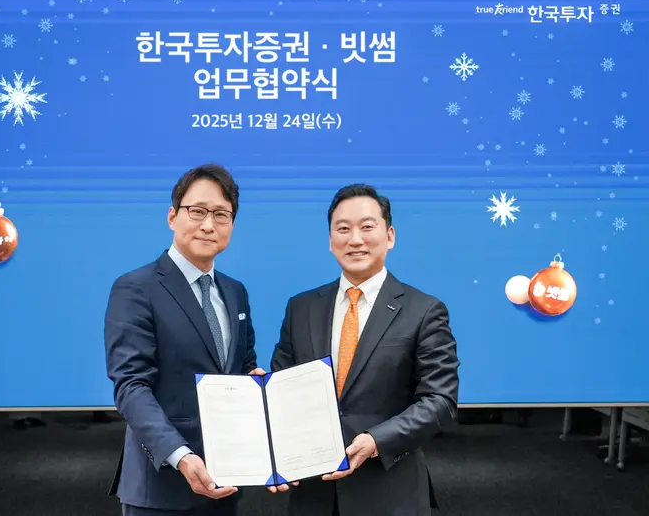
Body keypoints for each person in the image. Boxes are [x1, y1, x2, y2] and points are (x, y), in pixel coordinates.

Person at [270, 184, 460, 516]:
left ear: (390, 236)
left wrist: (376, 440)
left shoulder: (424, 310)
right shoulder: (301, 308)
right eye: (343, 229)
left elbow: (439, 400)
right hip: (313, 494)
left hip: (389, 492)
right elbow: (282, 385)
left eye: (367, 227)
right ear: (330, 240)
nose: (355, 239)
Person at [104, 164, 264, 516]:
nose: (208, 224)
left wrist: (256, 387)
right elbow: (131, 386)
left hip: (225, 483)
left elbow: (242, 366)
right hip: (161, 488)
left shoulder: (235, 292)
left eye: (221, 214)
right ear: (172, 216)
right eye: (198, 211)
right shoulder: (136, 288)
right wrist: (181, 456)